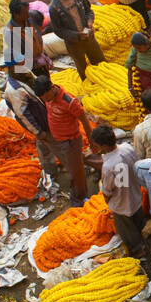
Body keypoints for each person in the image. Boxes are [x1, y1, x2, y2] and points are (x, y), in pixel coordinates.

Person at [32, 76, 92, 205]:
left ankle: (80, 197)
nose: (45, 100)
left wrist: (92, 142)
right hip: (58, 139)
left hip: (71, 140)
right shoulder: (48, 97)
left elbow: (85, 121)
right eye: (43, 99)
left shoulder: (69, 101)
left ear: (52, 88)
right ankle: (101, 165)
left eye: (46, 97)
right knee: (77, 163)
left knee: (76, 172)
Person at [90, 124, 145, 257]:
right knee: (138, 219)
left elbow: (108, 190)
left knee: (126, 228)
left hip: (121, 203)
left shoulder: (109, 166)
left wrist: (107, 199)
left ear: (103, 146)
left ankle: (137, 250)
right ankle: (143, 237)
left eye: (96, 145)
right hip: (136, 194)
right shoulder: (127, 148)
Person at [48, 0, 103, 79]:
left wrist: (89, 21)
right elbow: (58, 30)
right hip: (73, 43)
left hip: (89, 36)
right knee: (83, 70)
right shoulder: (54, 8)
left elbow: (89, 11)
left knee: (100, 62)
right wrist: (77, 35)